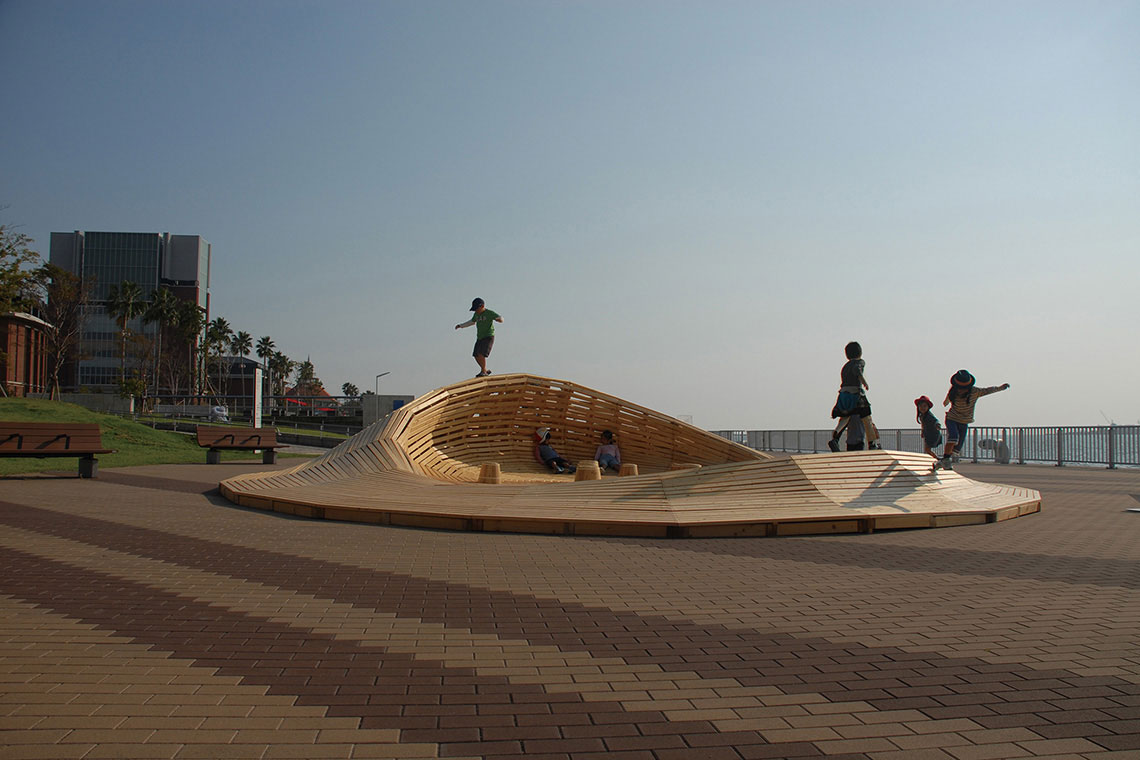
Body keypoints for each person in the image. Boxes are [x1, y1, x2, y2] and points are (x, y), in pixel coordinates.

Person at [936, 370, 1010, 471]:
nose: (961, 390)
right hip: (952, 418)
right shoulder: (953, 391)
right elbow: (948, 397)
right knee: (953, 437)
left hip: (964, 421)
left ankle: (943, 461)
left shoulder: (975, 392)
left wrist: (1001, 388)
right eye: (960, 388)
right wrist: (946, 401)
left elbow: (988, 390)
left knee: (957, 448)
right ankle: (945, 459)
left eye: (964, 388)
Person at [828, 341, 881, 452]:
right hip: (856, 393)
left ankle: (835, 439)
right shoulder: (860, 362)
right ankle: (872, 443)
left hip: (843, 394)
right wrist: (864, 382)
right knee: (866, 417)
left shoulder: (845, 367)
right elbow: (857, 370)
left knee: (845, 417)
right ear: (860, 353)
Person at [454, 298, 503, 377]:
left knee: (481, 354)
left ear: (482, 306)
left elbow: (500, 317)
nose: (476, 311)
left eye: (477, 309)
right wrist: (461, 325)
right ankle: (484, 370)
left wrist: (499, 320)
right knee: (476, 355)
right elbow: (472, 322)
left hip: (488, 336)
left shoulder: (489, 313)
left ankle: (483, 371)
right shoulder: (476, 314)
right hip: (480, 337)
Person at [915, 395, 943, 461]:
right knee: (927, 449)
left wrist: (938, 425)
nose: (922, 408)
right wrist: (922, 431)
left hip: (933, 434)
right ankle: (935, 459)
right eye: (921, 406)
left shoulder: (929, 415)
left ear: (928, 407)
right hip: (928, 434)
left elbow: (935, 420)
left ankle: (937, 459)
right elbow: (923, 424)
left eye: (925, 406)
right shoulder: (922, 416)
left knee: (927, 449)